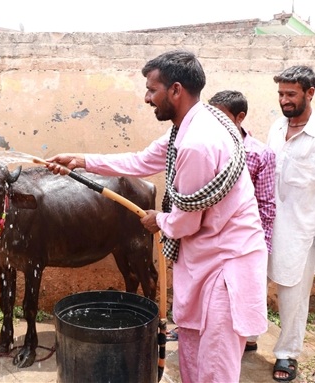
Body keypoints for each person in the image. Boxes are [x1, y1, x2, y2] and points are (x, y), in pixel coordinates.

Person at [46, 50, 268, 382]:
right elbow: (142, 161)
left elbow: (186, 220)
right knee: (192, 359)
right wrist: (81, 160)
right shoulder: (192, 124)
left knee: (215, 370)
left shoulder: (197, 143)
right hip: (204, 261)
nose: (147, 97)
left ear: (175, 90)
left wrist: (158, 221)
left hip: (225, 269)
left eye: (152, 89)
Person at [266, 65, 315, 382]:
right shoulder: (276, 128)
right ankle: (249, 336)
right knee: (251, 281)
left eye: (291, 94)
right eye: (281, 94)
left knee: (292, 295)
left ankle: (287, 354)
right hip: (265, 226)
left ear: (310, 93)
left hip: (301, 230)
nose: (284, 100)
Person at [209, 90, 276, 353]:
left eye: (222, 116)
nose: (215, 123)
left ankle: (247, 339)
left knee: (245, 291)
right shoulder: (210, 148)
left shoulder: (260, 154)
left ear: (240, 117)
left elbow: (266, 205)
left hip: (245, 238)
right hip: (213, 235)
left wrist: (263, 246)